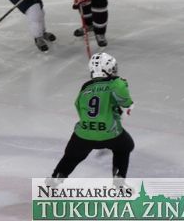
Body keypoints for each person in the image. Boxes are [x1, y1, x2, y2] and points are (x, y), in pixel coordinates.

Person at [49, 52, 135, 183]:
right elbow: (125, 102)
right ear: (108, 69)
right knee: (125, 147)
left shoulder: (86, 87)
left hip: (84, 135)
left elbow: (78, 106)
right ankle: (119, 179)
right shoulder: (116, 83)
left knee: (71, 157)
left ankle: (55, 180)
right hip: (110, 134)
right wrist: (124, 92)